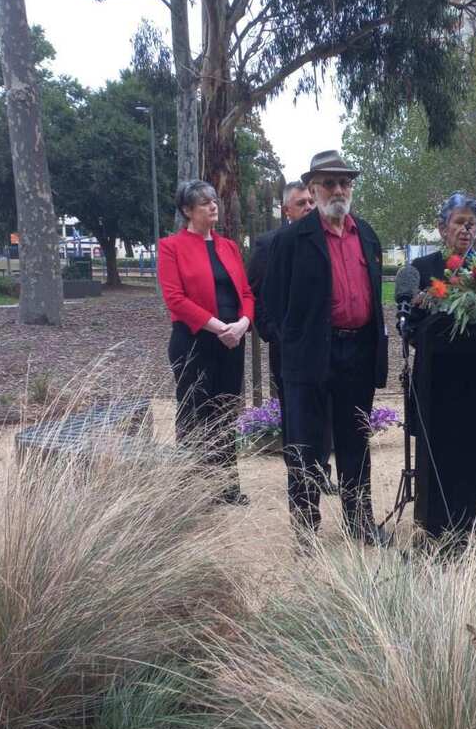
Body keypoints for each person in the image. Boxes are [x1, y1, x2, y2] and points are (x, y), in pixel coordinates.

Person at [263, 150, 389, 546]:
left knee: (355, 443)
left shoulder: (366, 234)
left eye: (344, 182)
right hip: (309, 360)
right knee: (305, 446)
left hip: (358, 355)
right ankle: (306, 530)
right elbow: (270, 306)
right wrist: (297, 345)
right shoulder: (290, 240)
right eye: (329, 183)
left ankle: (359, 522)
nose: (338, 189)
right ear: (313, 188)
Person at [158, 179, 255, 505]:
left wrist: (241, 325)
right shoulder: (171, 247)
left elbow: (245, 294)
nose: (213, 206)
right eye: (204, 203)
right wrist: (219, 328)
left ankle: (227, 487)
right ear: (187, 210)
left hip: (232, 341)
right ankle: (192, 491)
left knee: (226, 412)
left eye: (214, 200)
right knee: (193, 413)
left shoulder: (229, 247)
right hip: (194, 342)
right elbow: (175, 299)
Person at [246, 181, 336, 493]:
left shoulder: (327, 241)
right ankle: (299, 475)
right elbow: (255, 294)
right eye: (302, 203)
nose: (309, 207)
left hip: (325, 347)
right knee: (295, 417)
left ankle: (322, 470)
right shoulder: (270, 244)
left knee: (325, 413)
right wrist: (275, 334)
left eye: (312, 202)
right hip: (289, 350)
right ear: (287, 210)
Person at [411, 192, 476, 289]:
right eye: (459, 222)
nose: (466, 229)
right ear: (443, 229)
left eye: (471, 223)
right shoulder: (421, 267)